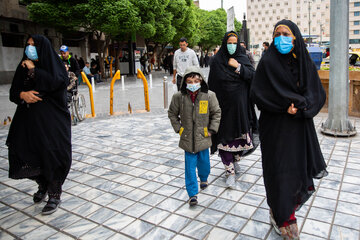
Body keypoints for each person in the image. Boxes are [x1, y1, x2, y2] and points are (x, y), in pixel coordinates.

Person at [251, 20, 328, 239]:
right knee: (278, 172)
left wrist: (302, 107)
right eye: (278, 33)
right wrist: (286, 105)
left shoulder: (302, 62)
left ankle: (286, 212)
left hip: (299, 127)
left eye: (286, 33)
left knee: (296, 171)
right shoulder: (267, 62)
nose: (282, 37)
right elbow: (259, 94)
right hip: (275, 128)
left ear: (295, 38)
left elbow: (317, 93)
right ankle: (283, 217)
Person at [6, 35, 71, 215]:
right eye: (28, 45)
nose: (30, 48)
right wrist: (22, 95)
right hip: (28, 120)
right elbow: (13, 92)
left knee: (51, 153)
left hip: (52, 121)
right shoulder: (23, 66)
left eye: (34, 45)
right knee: (21, 151)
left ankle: (54, 194)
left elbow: (57, 83)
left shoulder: (53, 65)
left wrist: (35, 70)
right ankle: (42, 183)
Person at [208, 31, 259, 188]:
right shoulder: (217, 60)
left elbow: (252, 76)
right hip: (223, 109)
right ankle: (229, 171)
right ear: (224, 43)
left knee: (239, 137)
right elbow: (212, 84)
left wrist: (238, 67)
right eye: (229, 42)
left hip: (241, 108)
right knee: (224, 139)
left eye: (234, 43)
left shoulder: (242, 58)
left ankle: (235, 160)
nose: (231, 45)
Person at [168, 66, 221, 206]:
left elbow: (216, 113)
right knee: (189, 167)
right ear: (185, 82)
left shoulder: (209, 95)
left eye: (196, 81)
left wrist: (211, 130)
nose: (193, 84)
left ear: (201, 81)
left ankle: (204, 178)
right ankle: (192, 194)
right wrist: (179, 129)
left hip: (203, 137)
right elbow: (172, 114)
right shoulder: (178, 97)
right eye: (190, 81)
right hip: (187, 139)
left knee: (204, 163)